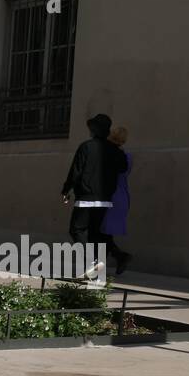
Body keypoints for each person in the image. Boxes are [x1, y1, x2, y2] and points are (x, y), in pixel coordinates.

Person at [61, 113, 128, 285]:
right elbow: (123, 167)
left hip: (86, 197)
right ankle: (97, 271)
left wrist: (66, 189)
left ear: (93, 130)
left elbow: (75, 171)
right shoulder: (115, 151)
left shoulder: (86, 147)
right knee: (97, 235)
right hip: (105, 199)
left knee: (77, 230)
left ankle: (94, 263)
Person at [103, 126, 133, 276]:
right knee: (105, 232)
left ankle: (117, 256)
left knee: (101, 231)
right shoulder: (127, 157)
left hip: (109, 195)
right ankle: (118, 256)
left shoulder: (108, 156)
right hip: (122, 196)